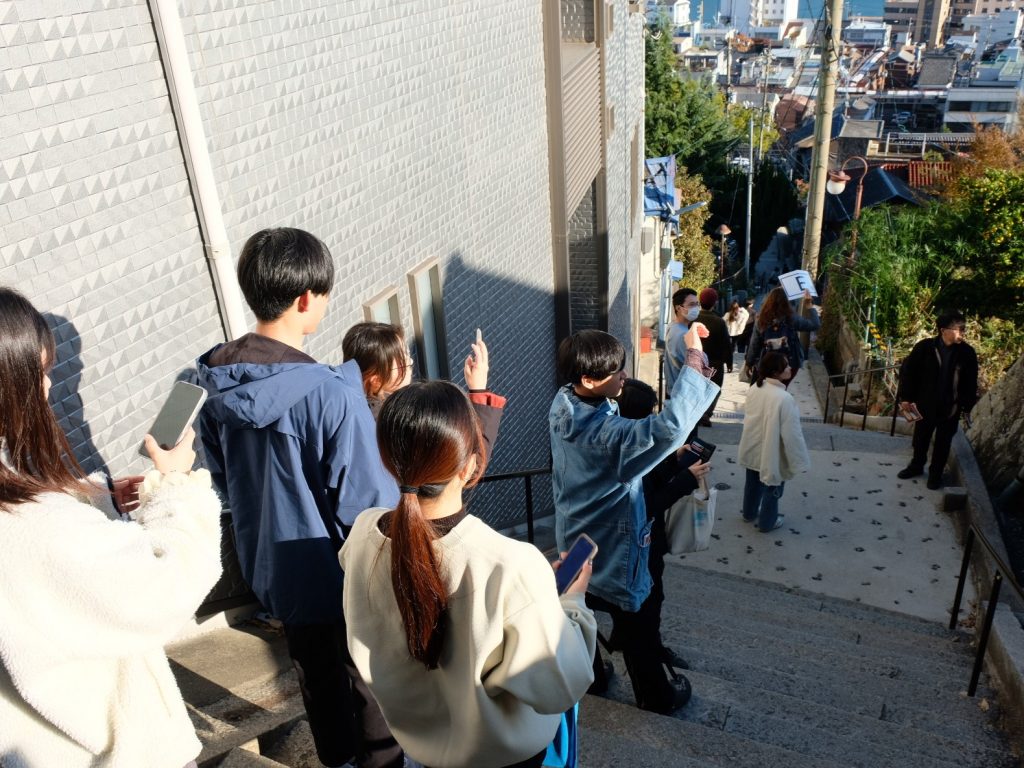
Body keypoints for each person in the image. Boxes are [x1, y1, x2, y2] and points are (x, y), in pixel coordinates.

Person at [196, 228, 401, 768]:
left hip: (273, 566)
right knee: (369, 684)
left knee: (317, 679)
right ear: (306, 298)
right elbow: (369, 508)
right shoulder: (332, 394)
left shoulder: (212, 382)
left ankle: (336, 761)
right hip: (341, 572)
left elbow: (221, 477)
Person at [0, 287, 222, 768]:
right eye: (39, 373)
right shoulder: (35, 528)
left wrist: (93, 498)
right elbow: (167, 582)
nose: (47, 388)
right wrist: (177, 486)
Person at [341, 381, 597, 768]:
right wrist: (572, 602)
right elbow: (561, 686)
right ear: (471, 466)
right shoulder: (511, 564)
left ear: (388, 461)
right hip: (505, 758)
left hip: (421, 749)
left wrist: (533, 591)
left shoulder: (363, 535)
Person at [550, 328, 718, 714]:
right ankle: (656, 697)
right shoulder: (611, 437)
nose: (624, 376)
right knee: (638, 626)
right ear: (588, 379)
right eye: (616, 371)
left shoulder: (562, 403)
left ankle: (590, 678)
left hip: (573, 540)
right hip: (616, 548)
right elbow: (670, 428)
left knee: (575, 610)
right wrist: (694, 356)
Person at [608, 379, 711, 678]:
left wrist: (675, 462)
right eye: (648, 415)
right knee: (650, 600)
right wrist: (686, 480)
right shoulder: (628, 449)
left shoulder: (621, 443)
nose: (653, 421)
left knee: (630, 600)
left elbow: (648, 482)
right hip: (640, 544)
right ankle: (651, 656)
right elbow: (645, 505)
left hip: (620, 543)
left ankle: (622, 638)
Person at [896, 310, 978, 490]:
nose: (963, 332)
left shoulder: (967, 353)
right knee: (920, 439)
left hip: (950, 408)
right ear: (943, 330)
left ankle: (935, 474)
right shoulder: (925, 348)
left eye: (964, 329)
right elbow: (908, 373)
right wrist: (906, 397)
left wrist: (966, 406)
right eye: (959, 329)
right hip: (925, 404)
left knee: (943, 443)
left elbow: (971, 383)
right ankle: (916, 466)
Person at [738, 352, 811, 532]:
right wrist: (799, 461)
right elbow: (792, 434)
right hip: (772, 449)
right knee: (773, 486)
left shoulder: (755, 388)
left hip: (752, 445)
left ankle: (749, 513)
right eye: (786, 366)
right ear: (776, 372)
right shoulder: (784, 398)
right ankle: (767, 522)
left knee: (752, 483)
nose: (790, 368)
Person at [744, 287, 820, 386]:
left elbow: (754, 344)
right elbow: (815, 324)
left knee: (764, 388)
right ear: (786, 302)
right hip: (789, 363)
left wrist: (749, 363)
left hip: (767, 364)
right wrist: (809, 306)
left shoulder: (761, 319)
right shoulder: (792, 319)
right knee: (781, 388)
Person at [341, 322, 414, 418]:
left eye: (407, 353)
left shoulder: (346, 404)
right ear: (376, 382)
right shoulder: (391, 419)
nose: (411, 361)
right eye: (402, 363)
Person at [696, 287, 731, 426]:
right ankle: (706, 414)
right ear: (715, 303)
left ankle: (697, 413)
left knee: (697, 387)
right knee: (714, 388)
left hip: (696, 359)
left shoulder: (694, 319)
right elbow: (726, 344)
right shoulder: (719, 322)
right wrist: (729, 362)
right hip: (715, 362)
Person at [663, 287, 700, 396]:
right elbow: (695, 368)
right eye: (692, 304)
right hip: (682, 393)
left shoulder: (673, 326)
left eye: (697, 304)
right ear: (679, 308)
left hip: (674, 389)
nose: (696, 308)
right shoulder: (683, 335)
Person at [723, 299, 749, 370]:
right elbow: (747, 314)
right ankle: (734, 355)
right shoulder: (742, 315)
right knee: (736, 344)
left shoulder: (727, 314)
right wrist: (742, 309)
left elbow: (722, 321)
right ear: (738, 307)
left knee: (730, 346)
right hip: (738, 332)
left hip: (729, 332)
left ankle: (729, 357)